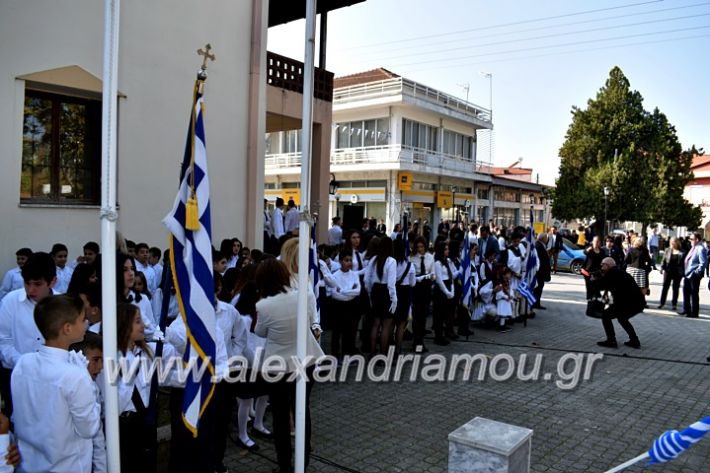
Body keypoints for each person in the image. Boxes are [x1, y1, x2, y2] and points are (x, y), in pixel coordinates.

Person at [11, 294, 101, 472]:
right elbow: (89, 428)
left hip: (28, 465)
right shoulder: (76, 375)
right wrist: (90, 386)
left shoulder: (23, 363)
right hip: (66, 466)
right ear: (67, 328)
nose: (86, 323)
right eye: (83, 320)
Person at [254, 258, 324, 473]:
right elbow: (312, 317)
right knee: (302, 408)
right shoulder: (300, 297)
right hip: (306, 360)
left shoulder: (263, 305)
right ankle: (303, 460)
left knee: (281, 416)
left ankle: (284, 464)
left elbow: (260, 332)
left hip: (279, 367)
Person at [0, 251, 56, 417]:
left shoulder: (62, 305)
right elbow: (3, 341)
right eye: (27, 283)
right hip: (16, 377)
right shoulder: (11, 301)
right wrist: (25, 363)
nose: (31, 290)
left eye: (37, 284)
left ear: (52, 281)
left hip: (53, 379)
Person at [69, 331, 107, 472]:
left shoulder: (92, 389)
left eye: (102, 360)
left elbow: (97, 439)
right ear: (79, 358)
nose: (101, 366)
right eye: (96, 360)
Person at [592, 258, 643, 348]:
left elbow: (601, 286)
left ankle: (611, 341)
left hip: (625, 303)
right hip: (635, 302)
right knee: (622, 318)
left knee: (605, 315)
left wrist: (593, 280)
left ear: (607, 265)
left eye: (602, 264)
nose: (601, 266)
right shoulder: (619, 272)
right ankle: (634, 340)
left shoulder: (611, 274)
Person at [364, 236, 398, 355]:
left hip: (375, 290)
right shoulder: (391, 261)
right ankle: (383, 355)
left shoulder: (373, 259)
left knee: (376, 324)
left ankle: (372, 353)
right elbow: (391, 284)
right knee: (386, 326)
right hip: (385, 292)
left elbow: (366, 280)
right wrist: (394, 299)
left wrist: (370, 294)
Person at [329, 250, 361, 360]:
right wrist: (349, 291)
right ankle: (335, 355)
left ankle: (347, 354)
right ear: (340, 261)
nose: (349, 263)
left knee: (350, 331)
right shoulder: (335, 275)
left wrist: (342, 291)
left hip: (351, 306)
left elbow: (357, 291)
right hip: (338, 306)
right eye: (346, 260)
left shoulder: (354, 275)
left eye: (350, 260)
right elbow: (334, 293)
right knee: (337, 331)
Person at [409, 236, 434, 352]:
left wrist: (429, 276)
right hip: (416, 287)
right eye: (418, 247)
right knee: (416, 315)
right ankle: (416, 341)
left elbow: (433, 274)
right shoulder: (412, 258)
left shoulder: (430, 257)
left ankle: (421, 341)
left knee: (423, 315)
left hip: (426, 286)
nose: (420, 249)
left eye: (422, 247)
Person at [432, 241, 459, 345]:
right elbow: (439, 280)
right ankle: (438, 337)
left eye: (448, 249)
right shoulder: (437, 263)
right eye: (445, 249)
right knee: (439, 314)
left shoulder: (447, 261)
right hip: (441, 291)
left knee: (445, 313)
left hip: (448, 286)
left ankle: (443, 335)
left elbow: (451, 276)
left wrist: (451, 290)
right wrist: (447, 292)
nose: (448, 251)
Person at [392, 239, 414, 354]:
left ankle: (388, 346)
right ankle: (398, 349)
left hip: (393, 291)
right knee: (401, 324)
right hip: (404, 293)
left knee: (390, 322)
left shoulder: (390, 263)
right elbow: (413, 283)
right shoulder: (409, 265)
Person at [681, 232, 707, 318]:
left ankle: (694, 313)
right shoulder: (693, 248)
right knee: (686, 292)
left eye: (692, 239)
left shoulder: (700, 248)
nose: (690, 241)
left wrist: (696, 273)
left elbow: (703, 263)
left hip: (693, 275)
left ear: (697, 240)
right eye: (690, 239)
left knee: (694, 293)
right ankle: (686, 310)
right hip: (687, 274)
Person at [658, 237, 684, 311]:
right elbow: (663, 260)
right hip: (668, 271)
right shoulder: (667, 250)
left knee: (675, 288)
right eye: (671, 242)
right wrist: (662, 268)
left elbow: (683, 263)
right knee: (665, 287)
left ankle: (674, 304)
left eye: (674, 242)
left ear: (677, 243)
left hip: (677, 272)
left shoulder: (681, 251)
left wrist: (682, 272)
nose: (672, 243)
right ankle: (662, 303)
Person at [625, 236, 652, 301]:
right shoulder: (644, 250)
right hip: (640, 270)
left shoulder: (631, 249)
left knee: (631, 287)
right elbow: (649, 261)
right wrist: (647, 268)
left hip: (633, 270)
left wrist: (629, 265)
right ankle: (640, 301)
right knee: (641, 287)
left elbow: (626, 259)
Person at [533, 232, 550, 312]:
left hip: (542, 271)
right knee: (538, 288)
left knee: (540, 287)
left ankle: (537, 303)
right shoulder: (538, 246)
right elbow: (540, 260)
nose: (547, 239)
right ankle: (536, 303)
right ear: (543, 239)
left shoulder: (540, 245)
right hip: (539, 271)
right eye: (546, 238)